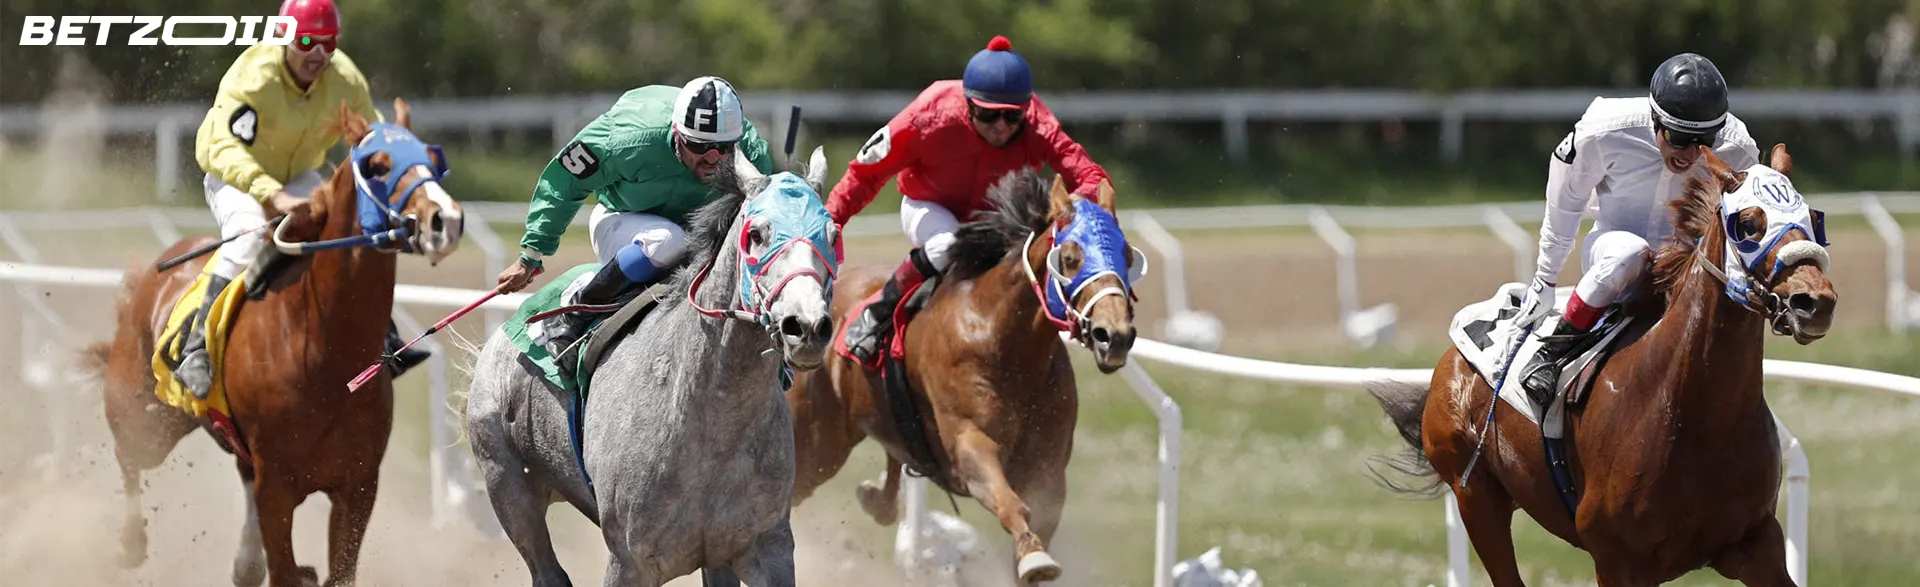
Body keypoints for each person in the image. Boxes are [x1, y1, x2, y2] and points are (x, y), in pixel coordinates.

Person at [178, 0, 429, 398]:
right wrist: (270, 194)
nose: (317, 54)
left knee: (352, 232)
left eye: (327, 44)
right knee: (246, 237)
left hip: (297, 176)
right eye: (307, 41)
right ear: (284, 37)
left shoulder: (345, 78)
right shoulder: (254, 76)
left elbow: (372, 137)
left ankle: (385, 336)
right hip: (235, 176)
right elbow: (222, 147)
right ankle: (195, 347)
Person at [827, 35, 1112, 365]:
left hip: (998, 220)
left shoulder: (1041, 124)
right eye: (989, 116)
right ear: (968, 104)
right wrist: (832, 221)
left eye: (1012, 116)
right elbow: (866, 173)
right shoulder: (929, 113)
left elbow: (1093, 179)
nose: (1002, 127)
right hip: (928, 207)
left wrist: (1072, 203)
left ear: (1026, 109)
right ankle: (877, 313)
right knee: (948, 244)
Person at [1514, 52, 1760, 402]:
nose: (1690, 155)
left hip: (1688, 269)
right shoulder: (1604, 130)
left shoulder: (1739, 148)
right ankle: (1552, 353)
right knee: (1631, 253)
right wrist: (1545, 280)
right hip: (1611, 253)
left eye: (1703, 142)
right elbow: (1564, 201)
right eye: (1678, 138)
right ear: (1655, 120)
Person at [493, 76, 774, 358]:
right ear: (678, 133)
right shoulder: (628, 137)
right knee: (668, 241)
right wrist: (531, 255)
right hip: (619, 218)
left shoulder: (749, 152)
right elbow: (565, 180)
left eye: (723, 149)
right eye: (699, 147)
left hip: (699, 234)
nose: (713, 159)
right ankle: (577, 308)